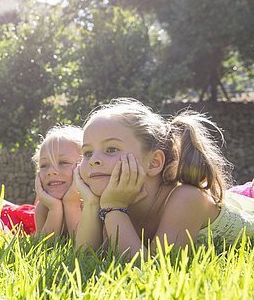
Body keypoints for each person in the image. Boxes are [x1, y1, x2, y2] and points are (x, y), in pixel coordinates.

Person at [74, 98, 254, 258]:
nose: (94, 160)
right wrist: (91, 204)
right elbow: (87, 258)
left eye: (111, 149)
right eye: (87, 153)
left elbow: (153, 270)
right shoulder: (114, 199)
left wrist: (114, 208)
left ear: (154, 163)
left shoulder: (186, 198)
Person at [33, 125, 83, 237]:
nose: (51, 171)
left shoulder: (92, 204)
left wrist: (71, 204)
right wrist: (54, 209)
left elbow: (84, 249)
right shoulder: (43, 207)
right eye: (44, 165)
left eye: (63, 162)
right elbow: (43, 248)